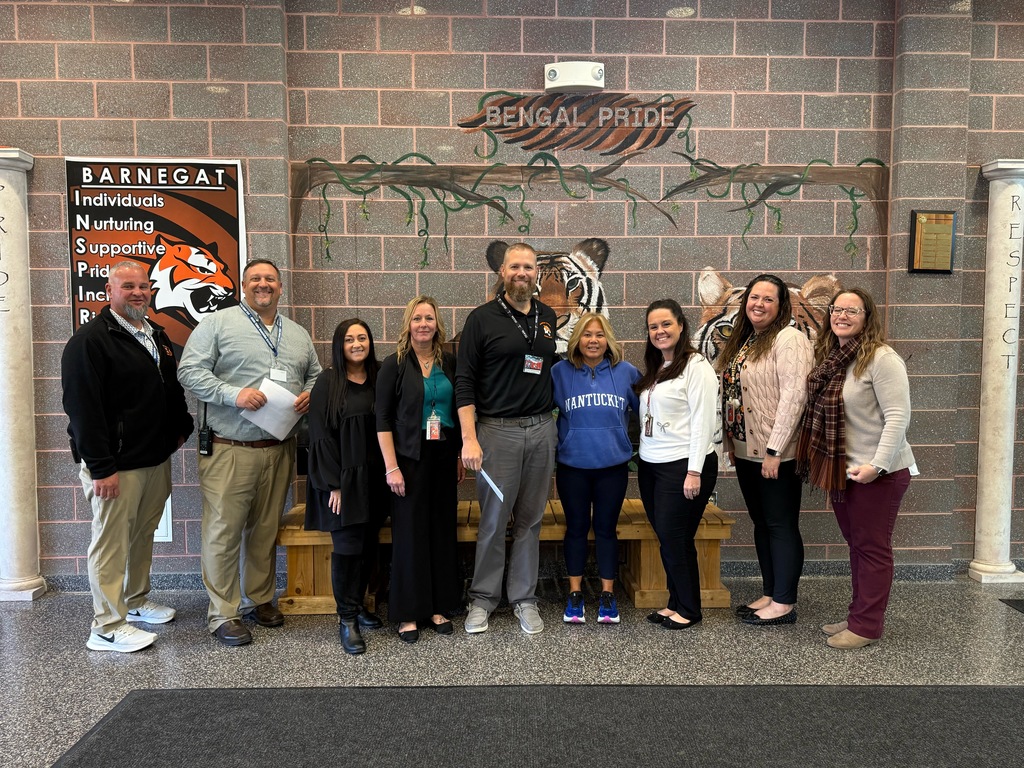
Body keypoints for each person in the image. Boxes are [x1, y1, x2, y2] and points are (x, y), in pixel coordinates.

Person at [178, 259, 321, 647]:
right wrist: (233, 394)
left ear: (280, 287)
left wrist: (311, 391)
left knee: (264, 530)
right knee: (223, 532)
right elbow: (189, 371)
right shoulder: (217, 324)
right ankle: (223, 613)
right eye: (255, 279)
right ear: (242, 285)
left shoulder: (296, 333)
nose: (263, 284)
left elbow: (315, 372)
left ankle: (259, 600)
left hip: (278, 447)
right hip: (230, 448)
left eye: (270, 279)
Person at [61, 260, 194, 653]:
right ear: (109, 291)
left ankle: (135, 603)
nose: (138, 292)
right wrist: (101, 468)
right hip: (115, 465)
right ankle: (106, 626)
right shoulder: (90, 342)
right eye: (128, 286)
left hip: (154, 458)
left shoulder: (156, 334)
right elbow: (82, 409)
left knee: (141, 534)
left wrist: (181, 427)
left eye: (143, 286)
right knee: (111, 542)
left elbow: (169, 389)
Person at [797, 288, 916, 649]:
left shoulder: (881, 358)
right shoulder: (834, 358)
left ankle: (866, 626)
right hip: (843, 471)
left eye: (852, 310)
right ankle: (857, 614)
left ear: (868, 316)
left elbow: (898, 417)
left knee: (872, 548)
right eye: (836, 309)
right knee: (858, 547)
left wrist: (877, 466)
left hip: (878, 473)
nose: (842, 315)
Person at [455, 242, 558, 635]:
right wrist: (469, 438)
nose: (522, 273)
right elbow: (464, 383)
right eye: (514, 266)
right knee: (495, 521)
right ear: (502, 272)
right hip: (497, 433)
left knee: (531, 521)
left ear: (536, 273)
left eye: (528, 267)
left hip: (541, 429)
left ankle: (524, 598)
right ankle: (482, 599)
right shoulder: (481, 319)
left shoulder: (547, 317)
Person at [716, 275, 812, 626]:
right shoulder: (750, 340)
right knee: (762, 523)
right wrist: (732, 442)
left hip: (776, 454)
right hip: (747, 450)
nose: (759, 304)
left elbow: (794, 397)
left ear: (781, 305)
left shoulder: (790, 339)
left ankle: (784, 603)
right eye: (754, 297)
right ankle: (771, 592)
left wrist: (775, 449)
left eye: (768, 299)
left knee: (780, 523)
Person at [377, 297, 464, 645]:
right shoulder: (394, 365)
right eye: (417, 318)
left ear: (437, 324)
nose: (424, 324)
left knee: (441, 530)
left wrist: (458, 455)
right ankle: (408, 612)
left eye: (429, 318)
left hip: (443, 455)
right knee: (410, 534)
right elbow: (382, 419)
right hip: (408, 459)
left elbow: (458, 413)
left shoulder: (450, 363)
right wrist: (391, 468)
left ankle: (438, 606)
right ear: (408, 325)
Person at [635, 299, 718, 631]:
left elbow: (702, 422)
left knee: (675, 537)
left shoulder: (696, 366)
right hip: (652, 465)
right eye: (653, 327)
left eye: (666, 324)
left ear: (681, 325)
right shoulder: (659, 366)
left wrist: (694, 471)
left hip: (683, 466)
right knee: (669, 538)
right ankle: (675, 602)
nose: (659, 331)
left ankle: (690, 608)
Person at [305, 319, 387, 654]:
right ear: (340, 345)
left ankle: (361, 606)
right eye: (350, 339)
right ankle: (346, 619)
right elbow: (320, 435)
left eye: (362, 338)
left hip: (375, 478)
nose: (357, 344)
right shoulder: (328, 381)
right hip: (342, 480)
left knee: (368, 545)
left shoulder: (380, 376)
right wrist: (334, 485)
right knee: (348, 547)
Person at [551, 313, 639, 624]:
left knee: (605, 529)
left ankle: (607, 594)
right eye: (587, 335)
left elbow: (646, 413)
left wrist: (633, 449)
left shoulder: (626, 373)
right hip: (572, 466)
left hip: (612, 467)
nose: (593, 340)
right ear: (577, 340)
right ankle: (575, 594)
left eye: (599, 335)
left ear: (608, 340)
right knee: (575, 528)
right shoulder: (559, 373)